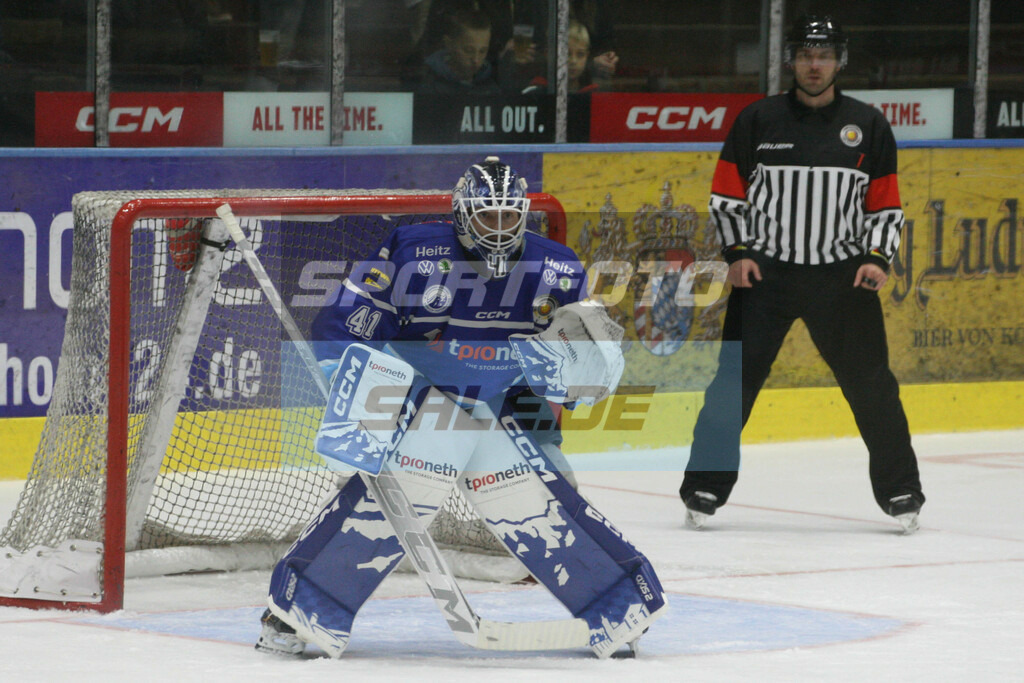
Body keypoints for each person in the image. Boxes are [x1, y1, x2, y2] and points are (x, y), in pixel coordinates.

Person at [255, 157, 666, 659]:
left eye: (508, 218)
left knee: (537, 501)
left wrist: (586, 373)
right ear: (461, 214)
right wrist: (358, 396)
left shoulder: (556, 267)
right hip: (424, 399)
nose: (498, 230)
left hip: (504, 407)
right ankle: (298, 613)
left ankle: (619, 605)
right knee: (408, 490)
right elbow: (345, 324)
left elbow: (574, 373)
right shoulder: (414, 252)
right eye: (486, 218)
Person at [679, 15, 926, 534]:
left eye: (825, 54)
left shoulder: (869, 124)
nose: (815, 64)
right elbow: (727, 196)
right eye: (806, 54)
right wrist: (738, 253)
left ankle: (901, 490)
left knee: (873, 389)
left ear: (839, 61)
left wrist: (876, 257)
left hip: (841, 279)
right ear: (792, 59)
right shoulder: (757, 120)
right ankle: (704, 486)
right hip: (764, 277)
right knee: (733, 386)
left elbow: (884, 206)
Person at [414, 8, 502, 94]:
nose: (476, 60)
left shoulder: (491, 89)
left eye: (482, 51)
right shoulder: (426, 86)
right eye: (468, 51)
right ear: (449, 44)